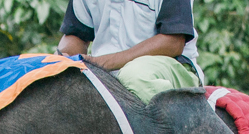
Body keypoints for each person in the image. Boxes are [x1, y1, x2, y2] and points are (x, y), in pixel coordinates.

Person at [57, 0, 202, 104]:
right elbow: (75, 35)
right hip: (104, 74)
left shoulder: (103, 64)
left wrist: (102, 63)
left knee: (134, 77)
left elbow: (173, 43)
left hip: (172, 69)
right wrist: (64, 61)